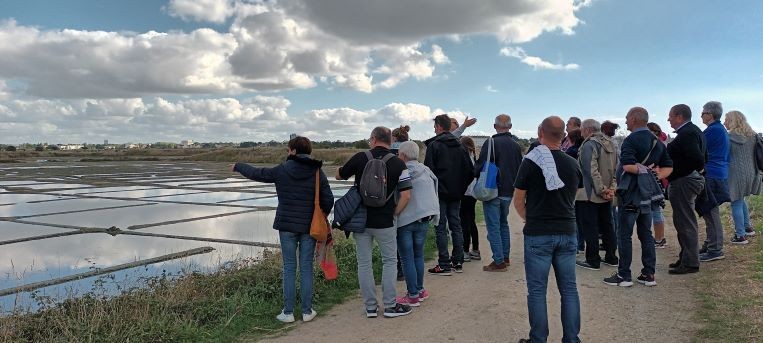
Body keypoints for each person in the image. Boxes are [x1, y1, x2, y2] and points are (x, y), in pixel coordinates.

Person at [232, 136, 334, 323]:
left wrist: (239, 165)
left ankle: (287, 313)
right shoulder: (318, 172)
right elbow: (328, 200)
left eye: (288, 150)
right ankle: (306, 311)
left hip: (286, 226)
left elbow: (258, 173)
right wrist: (319, 215)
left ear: (293, 151)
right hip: (309, 227)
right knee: (306, 268)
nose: (287, 152)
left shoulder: (282, 170)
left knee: (289, 268)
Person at [514, 116, 582, 343]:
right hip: (567, 229)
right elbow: (572, 196)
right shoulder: (573, 163)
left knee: (536, 291)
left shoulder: (531, 161)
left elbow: (518, 200)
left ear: (540, 131)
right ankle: (572, 339)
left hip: (538, 232)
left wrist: (528, 218)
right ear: (563, 135)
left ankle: (538, 339)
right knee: (569, 290)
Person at [336, 126, 413, 318]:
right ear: (390, 141)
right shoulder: (398, 163)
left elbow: (340, 175)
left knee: (364, 263)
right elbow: (406, 195)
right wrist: (394, 213)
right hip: (385, 221)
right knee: (389, 262)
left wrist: (342, 170)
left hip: (361, 221)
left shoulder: (361, 157)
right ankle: (389, 306)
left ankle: (370, 307)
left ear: (373, 139)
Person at [603, 107, 672, 287]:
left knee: (624, 235)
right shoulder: (657, 141)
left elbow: (627, 166)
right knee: (646, 234)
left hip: (630, 193)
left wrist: (643, 171)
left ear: (634, 119)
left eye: (627, 118)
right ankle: (649, 274)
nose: (625, 122)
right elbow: (668, 167)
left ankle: (624, 275)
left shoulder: (630, 140)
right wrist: (654, 175)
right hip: (648, 195)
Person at [424, 114, 474, 275]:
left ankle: (444, 263)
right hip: (456, 192)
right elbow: (470, 171)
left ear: (439, 126)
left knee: (441, 227)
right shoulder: (461, 147)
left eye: (434, 126)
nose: (434, 129)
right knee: (456, 225)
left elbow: (428, 172)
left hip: (440, 192)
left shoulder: (434, 145)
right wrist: (461, 187)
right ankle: (458, 261)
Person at [474, 114, 523, 271]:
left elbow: (481, 165)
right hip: (509, 190)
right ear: (510, 126)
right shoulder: (516, 146)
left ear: (495, 126)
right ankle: (505, 256)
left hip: (492, 188)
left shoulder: (491, 143)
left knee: (493, 226)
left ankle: (499, 260)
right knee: (503, 223)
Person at [394, 141, 440, 307]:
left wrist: (394, 214)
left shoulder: (401, 172)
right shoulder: (426, 170)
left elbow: (401, 195)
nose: (398, 157)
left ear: (404, 156)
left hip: (405, 221)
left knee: (407, 258)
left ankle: (412, 295)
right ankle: (420, 290)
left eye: (399, 154)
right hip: (424, 218)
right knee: (418, 255)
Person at [666, 104, 706, 275]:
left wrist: (676, 173)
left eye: (671, 116)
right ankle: (686, 257)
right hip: (686, 180)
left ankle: (690, 262)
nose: (668, 119)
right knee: (682, 221)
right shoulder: (693, 131)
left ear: (680, 117)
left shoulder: (688, 133)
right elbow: (703, 157)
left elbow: (697, 159)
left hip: (684, 182)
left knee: (685, 222)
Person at [574, 119, 619, 271]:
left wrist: (601, 190)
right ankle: (612, 257)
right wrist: (611, 189)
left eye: (581, 129)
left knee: (590, 227)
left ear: (587, 130)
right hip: (607, 193)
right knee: (607, 225)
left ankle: (593, 260)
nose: (581, 132)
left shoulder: (589, 145)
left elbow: (590, 170)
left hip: (589, 194)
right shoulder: (611, 143)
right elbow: (615, 170)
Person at [698, 101, 731, 262]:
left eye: (703, 113)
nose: (701, 115)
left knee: (710, 212)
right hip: (718, 173)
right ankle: (710, 243)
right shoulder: (719, 130)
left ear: (710, 114)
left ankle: (715, 249)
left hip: (712, 174)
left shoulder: (713, 131)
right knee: (709, 211)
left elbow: (698, 149)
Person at [724, 111, 761, 244]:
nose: (724, 122)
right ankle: (748, 227)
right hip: (751, 173)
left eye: (726, 120)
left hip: (735, 173)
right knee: (741, 199)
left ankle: (740, 235)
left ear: (733, 121)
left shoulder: (728, 137)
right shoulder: (753, 136)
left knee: (736, 202)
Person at [647, 122, 669, 249]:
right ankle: (659, 238)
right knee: (656, 209)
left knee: (654, 209)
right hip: (661, 178)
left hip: (655, 177)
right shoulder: (663, 141)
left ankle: (659, 238)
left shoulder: (655, 144)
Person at [460, 136, 481, 262]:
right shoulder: (474, 158)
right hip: (473, 194)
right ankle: (476, 250)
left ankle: (465, 251)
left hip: (465, 193)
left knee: (464, 222)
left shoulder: (464, 158)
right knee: (472, 221)